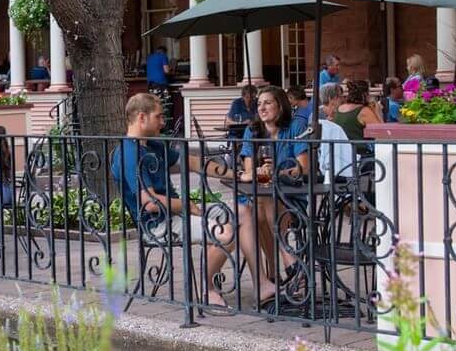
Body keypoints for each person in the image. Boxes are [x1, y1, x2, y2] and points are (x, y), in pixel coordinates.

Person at [110, 93, 238, 308]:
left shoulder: (151, 145)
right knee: (227, 234)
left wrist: (236, 174)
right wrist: (187, 206)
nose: (163, 122)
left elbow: (193, 162)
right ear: (142, 117)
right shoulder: (129, 153)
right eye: (159, 117)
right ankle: (205, 288)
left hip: (175, 213)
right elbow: (150, 203)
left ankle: (218, 273)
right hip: (158, 223)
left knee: (236, 216)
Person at [236, 86, 310, 306]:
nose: (262, 107)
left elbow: (303, 168)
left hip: (290, 197)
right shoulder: (253, 129)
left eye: (267, 102)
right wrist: (259, 172)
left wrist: (278, 172)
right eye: (259, 104)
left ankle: (272, 274)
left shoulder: (295, 126)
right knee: (255, 207)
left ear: (280, 105)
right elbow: (249, 171)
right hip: (261, 198)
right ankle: (288, 261)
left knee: (259, 206)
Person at [332, 79, 382, 152]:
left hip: (340, 152)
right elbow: (381, 133)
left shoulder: (340, 108)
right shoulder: (364, 111)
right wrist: (377, 111)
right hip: (359, 155)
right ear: (365, 94)